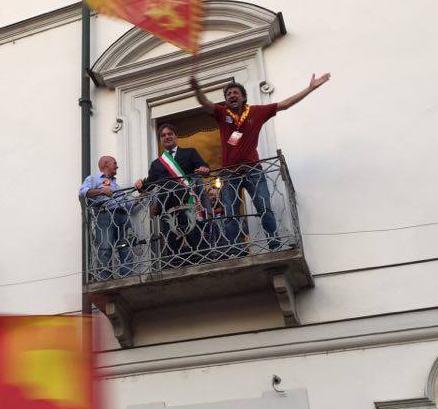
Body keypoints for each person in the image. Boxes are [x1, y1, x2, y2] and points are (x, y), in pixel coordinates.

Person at [190, 74, 331, 251]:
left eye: (235, 92)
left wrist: (310, 88)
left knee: (264, 207)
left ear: (243, 97)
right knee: (231, 214)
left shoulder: (257, 112)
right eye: (228, 94)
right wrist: (197, 90)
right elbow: (205, 103)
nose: (231, 95)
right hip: (229, 174)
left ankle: (274, 243)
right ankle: (235, 249)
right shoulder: (222, 113)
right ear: (225, 100)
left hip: (253, 170)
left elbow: (285, 105)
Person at [134, 124, 210, 265]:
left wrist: (205, 169)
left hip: (189, 204)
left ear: (176, 136)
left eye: (170, 134)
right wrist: (140, 184)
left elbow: (204, 167)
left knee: (195, 238)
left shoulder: (189, 153)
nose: (167, 137)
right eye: (163, 135)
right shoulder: (156, 164)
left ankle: (201, 262)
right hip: (168, 210)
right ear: (160, 140)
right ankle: (176, 263)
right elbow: (149, 185)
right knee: (173, 243)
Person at [79, 156, 135, 280]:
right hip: (105, 215)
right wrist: (101, 191)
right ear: (105, 164)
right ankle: (105, 278)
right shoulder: (93, 178)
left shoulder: (115, 183)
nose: (117, 166)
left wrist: (138, 200)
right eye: (114, 163)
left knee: (125, 246)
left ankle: (127, 276)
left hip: (122, 215)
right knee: (105, 247)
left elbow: (124, 202)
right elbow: (83, 191)